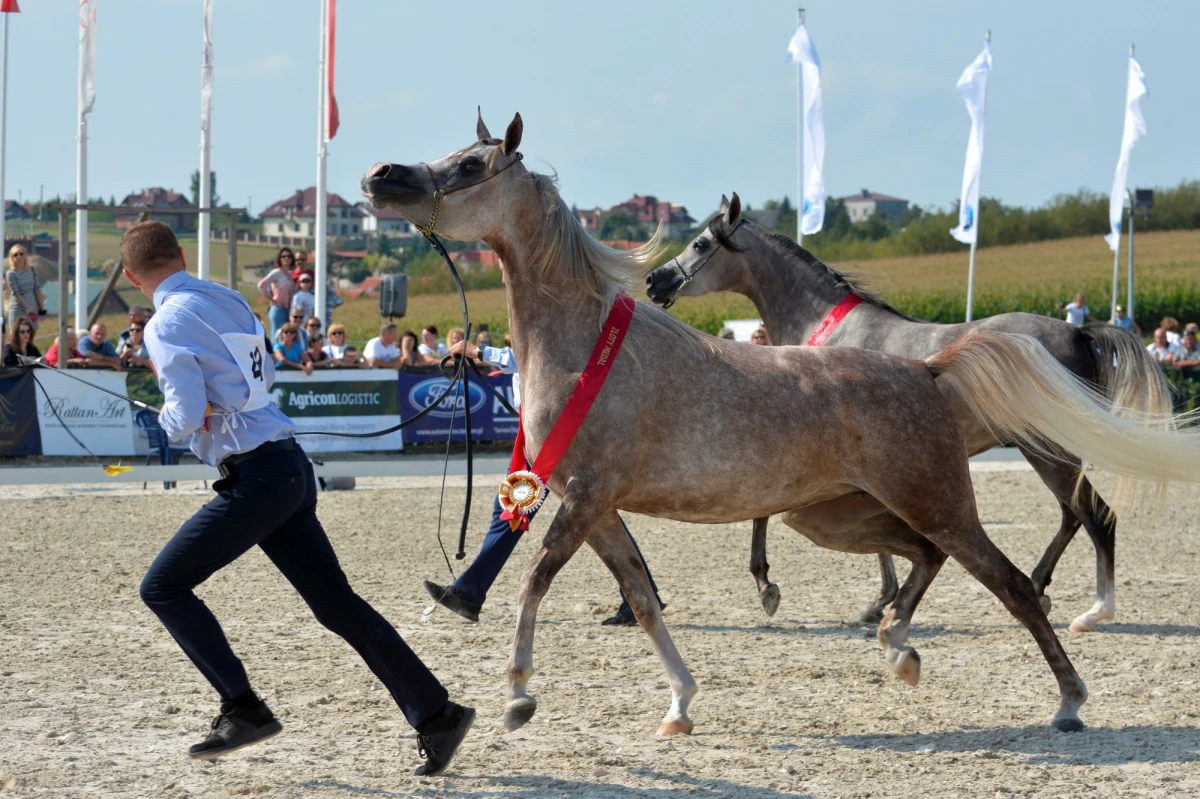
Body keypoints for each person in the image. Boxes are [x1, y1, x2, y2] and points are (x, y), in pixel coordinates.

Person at [120, 221, 473, 774]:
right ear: (181, 255)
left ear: (129, 276)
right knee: (338, 606)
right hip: (287, 465)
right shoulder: (227, 296)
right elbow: (256, 376)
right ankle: (436, 713)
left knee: (162, 587)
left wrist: (171, 422)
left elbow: (184, 415)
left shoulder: (164, 324)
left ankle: (243, 707)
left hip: (257, 479)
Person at [423, 338, 665, 628]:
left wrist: (481, 352)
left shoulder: (549, 335)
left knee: (522, 512)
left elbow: (528, 359)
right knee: (542, 513)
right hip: (539, 438)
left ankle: (469, 592)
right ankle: (469, 591)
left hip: (551, 440)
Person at [257, 249, 297, 337]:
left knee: (289, 334)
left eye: (289, 256)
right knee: (278, 334)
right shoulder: (276, 273)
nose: (286, 258)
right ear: (279, 259)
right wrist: (271, 297)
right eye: (283, 256)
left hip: (290, 309)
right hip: (278, 308)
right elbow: (261, 285)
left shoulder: (292, 274)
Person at [5, 245, 45, 333]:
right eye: (15, 255)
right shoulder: (11, 273)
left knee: (31, 333)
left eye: (21, 254)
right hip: (17, 307)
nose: (19, 256)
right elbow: (16, 293)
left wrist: (41, 304)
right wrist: (27, 307)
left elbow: (37, 288)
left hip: (32, 304)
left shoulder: (32, 269)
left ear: (25, 255)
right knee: (15, 334)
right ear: (12, 257)